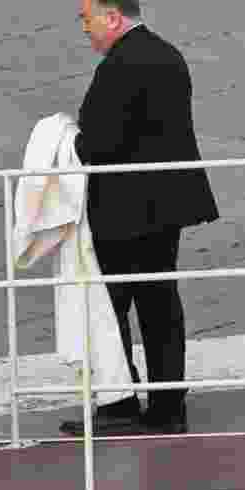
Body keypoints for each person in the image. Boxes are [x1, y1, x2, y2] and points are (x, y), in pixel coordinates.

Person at [60, 0, 219, 436]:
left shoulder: (119, 66)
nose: (85, 29)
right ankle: (168, 404)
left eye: (87, 19)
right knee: (160, 302)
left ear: (113, 17)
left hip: (126, 207)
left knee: (113, 307)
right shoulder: (167, 54)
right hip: (166, 203)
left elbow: (99, 145)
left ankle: (122, 402)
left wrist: (67, 142)